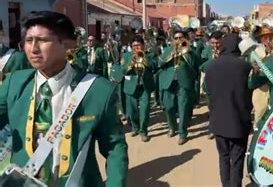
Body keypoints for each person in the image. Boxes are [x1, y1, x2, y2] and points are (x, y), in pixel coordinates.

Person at [0, 11, 128, 186]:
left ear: (68, 44)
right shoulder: (14, 82)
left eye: (43, 40)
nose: (34, 49)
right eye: (29, 41)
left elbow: (114, 148)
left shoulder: (99, 90)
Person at [205, 33, 253, 187]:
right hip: (238, 121)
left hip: (218, 120)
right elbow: (251, 90)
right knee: (237, 159)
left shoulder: (210, 65)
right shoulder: (245, 66)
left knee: (223, 157)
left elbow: (209, 92)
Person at [158, 30, 199, 145]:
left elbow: (195, 66)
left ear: (185, 38)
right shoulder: (167, 50)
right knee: (169, 107)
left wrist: (186, 53)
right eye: (175, 38)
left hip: (183, 84)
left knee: (183, 109)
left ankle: (182, 133)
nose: (178, 40)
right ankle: (172, 127)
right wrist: (170, 55)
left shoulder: (191, 52)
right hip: (169, 83)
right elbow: (159, 63)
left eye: (181, 37)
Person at [121, 35, 156, 142]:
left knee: (145, 111)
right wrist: (131, 64)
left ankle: (143, 131)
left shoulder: (149, 55)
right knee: (131, 112)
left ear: (143, 45)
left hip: (144, 86)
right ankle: (135, 127)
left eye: (138, 45)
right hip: (131, 86)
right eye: (134, 46)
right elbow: (123, 71)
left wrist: (144, 59)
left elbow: (154, 66)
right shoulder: (126, 56)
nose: (136, 48)